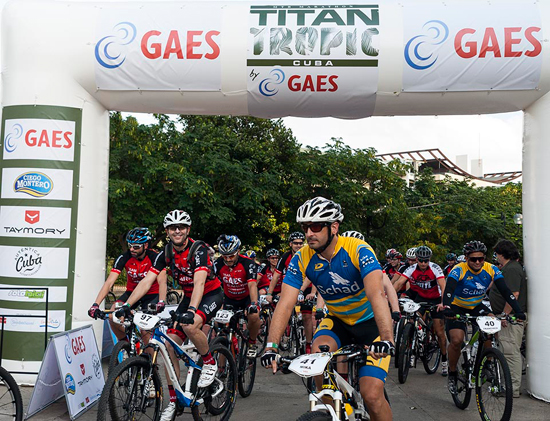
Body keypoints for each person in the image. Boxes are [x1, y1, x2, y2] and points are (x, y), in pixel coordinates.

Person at [261, 197, 394, 421]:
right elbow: (285, 302)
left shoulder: (358, 250)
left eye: (315, 226)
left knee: (371, 395)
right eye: (305, 227)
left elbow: (377, 295)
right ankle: (332, 411)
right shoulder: (302, 257)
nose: (308, 233)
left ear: (333, 227)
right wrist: (271, 347)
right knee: (316, 360)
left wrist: (387, 338)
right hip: (338, 321)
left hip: (371, 325)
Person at [115, 210, 223, 421]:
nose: (177, 231)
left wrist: (192, 311)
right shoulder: (166, 253)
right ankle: (173, 400)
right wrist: (127, 305)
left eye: (181, 227)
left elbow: (200, 282)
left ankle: (209, 362)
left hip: (210, 294)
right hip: (188, 296)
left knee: (191, 326)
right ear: (167, 231)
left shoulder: (198, 249)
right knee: (169, 346)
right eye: (173, 227)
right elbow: (148, 281)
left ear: (188, 230)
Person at [438, 240, 526, 396]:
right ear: (466, 258)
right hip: (457, 306)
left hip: (477, 306)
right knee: (457, 340)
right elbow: (449, 291)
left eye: (481, 258)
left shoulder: (491, 269)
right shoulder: (458, 270)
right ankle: (452, 374)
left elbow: (506, 291)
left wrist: (518, 311)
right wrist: (447, 307)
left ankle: (487, 364)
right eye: (473, 259)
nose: (478, 262)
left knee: (490, 328)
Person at [88, 227, 166, 341]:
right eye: (130, 245)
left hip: (152, 294)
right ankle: (126, 343)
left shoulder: (155, 257)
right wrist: (96, 304)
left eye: (136, 247)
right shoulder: (124, 257)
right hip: (131, 293)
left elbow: (162, 281)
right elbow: (109, 282)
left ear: (145, 246)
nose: (132, 249)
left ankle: (148, 357)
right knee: (112, 316)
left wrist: (161, 301)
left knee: (145, 329)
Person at [392, 245, 448, 376]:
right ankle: (414, 345)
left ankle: (444, 361)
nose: (423, 263)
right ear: (416, 259)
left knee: (440, 332)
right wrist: (389, 296)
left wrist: (443, 303)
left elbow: (443, 285)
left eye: (426, 260)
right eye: (420, 260)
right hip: (420, 296)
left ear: (429, 260)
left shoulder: (435, 268)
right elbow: (399, 283)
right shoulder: (411, 268)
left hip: (435, 298)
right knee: (412, 318)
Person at [267, 231, 315, 353]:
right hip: (291, 287)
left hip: (307, 288)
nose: (298, 245)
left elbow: (315, 276)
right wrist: (269, 293)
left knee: (307, 316)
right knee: (284, 309)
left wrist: (312, 293)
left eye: (300, 243)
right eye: (295, 243)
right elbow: (276, 276)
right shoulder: (285, 257)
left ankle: (309, 344)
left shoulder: (309, 254)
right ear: (290, 244)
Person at [490, 239, 527, 398]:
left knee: (510, 351)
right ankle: (509, 385)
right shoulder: (511, 267)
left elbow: (514, 294)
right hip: (509, 315)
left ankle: (512, 388)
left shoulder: (511, 269)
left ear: (502, 253)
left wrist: (504, 315)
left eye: (497, 253)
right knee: (507, 350)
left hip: (511, 317)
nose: (496, 257)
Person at [215, 234, 261, 357]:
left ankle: (252, 342)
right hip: (230, 298)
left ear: (238, 251)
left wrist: (253, 304)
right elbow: (212, 283)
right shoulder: (218, 263)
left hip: (247, 297)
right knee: (222, 328)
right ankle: (223, 367)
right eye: (225, 256)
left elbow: (252, 285)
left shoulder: (248, 263)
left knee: (254, 315)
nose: (228, 259)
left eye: (231, 256)